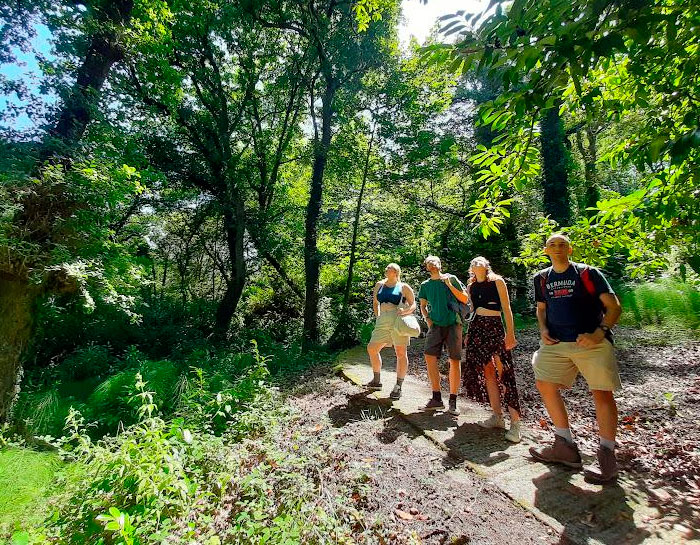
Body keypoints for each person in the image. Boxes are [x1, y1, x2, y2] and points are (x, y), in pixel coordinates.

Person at [529, 233, 623, 484]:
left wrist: (599, 333)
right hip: (556, 344)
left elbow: (614, 307)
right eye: (552, 245)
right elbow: (541, 308)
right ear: (546, 250)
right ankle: (564, 445)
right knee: (544, 382)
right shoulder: (541, 278)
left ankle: (607, 456)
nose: (557, 248)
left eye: (562, 244)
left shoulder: (588, 273)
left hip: (592, 343)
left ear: (570, 249)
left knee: (601, 392)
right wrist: (543, 329)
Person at [462, 257, 523, 442]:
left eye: (480, 261)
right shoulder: (471, 286)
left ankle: (515, 423)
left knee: (504, 372)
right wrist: (468, 333)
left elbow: (507, 308)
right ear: (471, 268)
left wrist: (510, 334)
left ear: (487, 265)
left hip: (494, 327)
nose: (477, 263)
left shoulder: (498, 281)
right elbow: (473, 311)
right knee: (488, 371)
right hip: (477, 328)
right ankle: (497, 416)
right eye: (474, 262)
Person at [418, 255, 468, 415]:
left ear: (440, 264)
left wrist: (449, 285)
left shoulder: (451, 278)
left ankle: (453, 401)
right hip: (435, 325)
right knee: (429, 356)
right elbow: (422, 305)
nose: (432, 264)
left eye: (435, 262)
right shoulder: (425, 285)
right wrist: (428, 320)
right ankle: (436, 398)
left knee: (454, 360)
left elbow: (465, 299)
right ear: (426, 267)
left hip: (453, 323)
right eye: (429, 263)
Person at [365, 263, 417, 400]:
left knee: (400, 352)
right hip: (382, 320)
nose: (387, 270)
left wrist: (405, 311)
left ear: (396, 272)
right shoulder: (379, 285)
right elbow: (375, 302)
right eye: (387, 268)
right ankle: (376, 381)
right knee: (372, 348)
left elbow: (413, 304)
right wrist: (378, 316)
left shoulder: (403, 287)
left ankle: (398, 386)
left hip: (398, 320)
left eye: (390, 269)